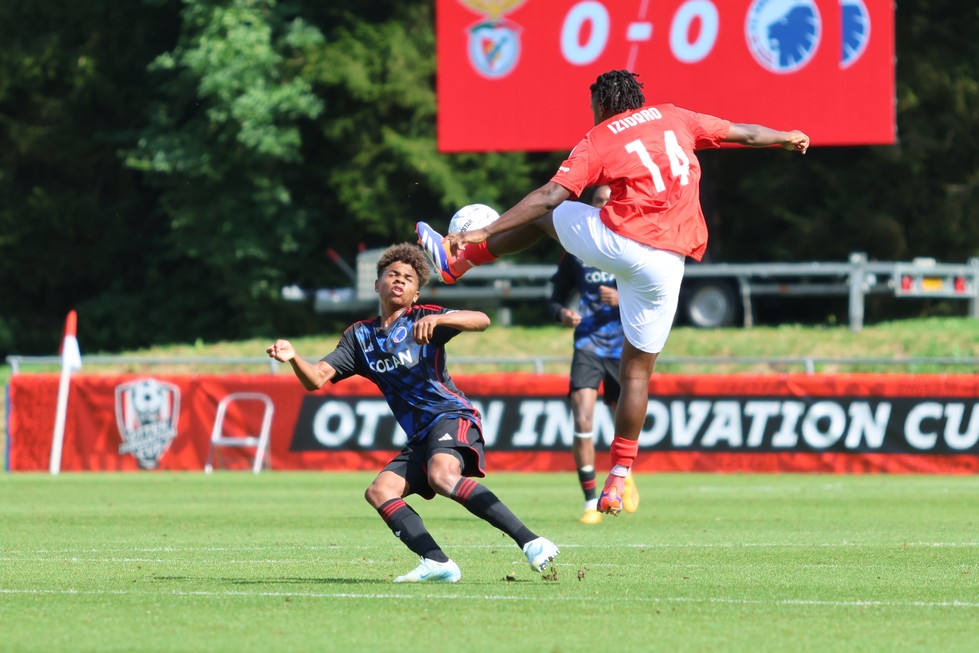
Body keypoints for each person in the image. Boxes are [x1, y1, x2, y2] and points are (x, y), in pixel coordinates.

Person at [417, 69, 809, 515]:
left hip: (623, 245)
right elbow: (748, 133)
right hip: (669, 264)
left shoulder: (600, 137)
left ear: (601, 106)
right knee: (637, 372)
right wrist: (786, 137)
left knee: (551, 214)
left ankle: (458, 263)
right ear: (639, 97)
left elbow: (548, 197)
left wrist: (483, 231)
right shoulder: (676, 117)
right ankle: (618, 478)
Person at [267, 243, 559, 582]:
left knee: (442, 476)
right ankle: (437, 563)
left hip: (451, 415)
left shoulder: (424, 318)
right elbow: (316, 379)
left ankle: (532, 542)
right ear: (377, 284)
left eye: (408, 278)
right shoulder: (360, 337)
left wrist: (441, 318)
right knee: (379, 491)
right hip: (421, 435)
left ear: (416, 293)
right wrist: (293, 358)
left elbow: (482, 319)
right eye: (392, 275)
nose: (399, 281)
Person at [549, 186, 638, 525]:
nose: (606, 206)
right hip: (587, 343)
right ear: (591, 207)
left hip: (624, 346)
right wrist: (563, 314)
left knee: (622, 422)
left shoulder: (634, 245)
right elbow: (555, 296)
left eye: (611, 201)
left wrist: (622, 300)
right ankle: (589, 501)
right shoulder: (576, 250)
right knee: (582, 420)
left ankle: (623, 473)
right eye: (600, 201)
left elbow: (657, 295)